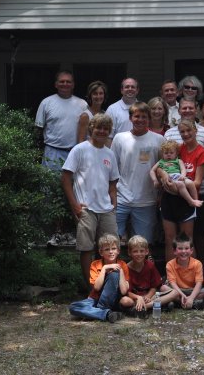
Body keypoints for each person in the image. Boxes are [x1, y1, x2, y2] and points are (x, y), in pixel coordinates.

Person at [61, 113, 119, 285]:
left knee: (111, 249)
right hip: (86, 208)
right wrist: (75, 206)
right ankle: (91, 288)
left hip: (106, 208)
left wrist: (114, 202)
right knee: (86, 248)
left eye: (106, 129)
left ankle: (109, 286)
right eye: (99, 127)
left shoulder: (110, 153)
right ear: (91, 128)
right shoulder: (79, 149)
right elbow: (65, 179)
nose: (102, 131)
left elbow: (113, 182)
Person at [111, 102, 165, 245]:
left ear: (149, 118)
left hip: (147, 200)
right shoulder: (119, 138)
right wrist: (111, 194)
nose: (140, 120)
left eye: (144, 117)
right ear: (130, 118)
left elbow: (163, 168)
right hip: (120, 198)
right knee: (111, 243)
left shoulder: (159, 140)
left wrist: (160, 194)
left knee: (142, 245)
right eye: (137, 116)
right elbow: (112, 169)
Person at [159, 119, 204, 262]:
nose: (186, 134)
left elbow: (197, 182)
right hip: (169, 199)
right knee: (170, 239)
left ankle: (192, 273)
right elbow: (160, 166)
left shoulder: (201, 152)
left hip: (186, 199)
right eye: (182, 132)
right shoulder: (178, 149)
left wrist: (176, 189)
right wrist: (163, 175)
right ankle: (171, 273)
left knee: (186, 240)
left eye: (189, 131)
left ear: (195, 131)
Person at [69, 234, 131, 323]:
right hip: (95, 298)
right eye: (107, 249)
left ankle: (100, 311)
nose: (111, 252)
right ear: (101, 252)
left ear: (118, 251)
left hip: (114, 300)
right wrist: (104, 268)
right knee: (74, 307)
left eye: (113, 248)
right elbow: (97, 288)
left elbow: (124, 291)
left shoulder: (123, 265)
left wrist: (120, 270)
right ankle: (107, 314)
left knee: (114, 275)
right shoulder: (95, 264)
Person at [35, 70, 88, 170]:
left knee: (73, 180)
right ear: (56, 84)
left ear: (73, 85)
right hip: (52, 152)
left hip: (74, 153)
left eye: (68, 82)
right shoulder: (46, 103)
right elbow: (38, 129)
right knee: (51, 180)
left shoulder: (82, 104)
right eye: (62, 81)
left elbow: (87, 130)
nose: (65, 84)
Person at [125, 235, 177, 317]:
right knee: (126, 301)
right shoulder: (126, 268)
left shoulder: (150, 265)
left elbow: (154, 286)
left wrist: (148, 297)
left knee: (175, 293)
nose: (139, 254)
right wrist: (138, 298)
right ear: (129, 253)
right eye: (135, 251)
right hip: (135, 298)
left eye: (141, 251)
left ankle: (146, 307)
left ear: (147, 251)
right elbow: (126, 292)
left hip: (150, 297)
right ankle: (160, 304)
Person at [150, 140, 203, 208]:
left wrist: (183, 175)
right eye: (166, 153)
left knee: (190, 183)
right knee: (181, 185)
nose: (169, 155)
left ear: (176, 153)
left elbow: (183, 169)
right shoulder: (161, 162)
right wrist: (155, 180)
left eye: (171, 153)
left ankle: (195, 200)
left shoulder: (178, 160)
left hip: (179, 176)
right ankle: (190, 201)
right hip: (170, 179)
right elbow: (152, 170)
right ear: (162, 154)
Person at [165, 234, 204, 309]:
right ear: (174, 251)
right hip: (177, 290)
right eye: (180, 248)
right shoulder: (170, 264)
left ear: (191, 250)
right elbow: (172, 283)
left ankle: (179, 302)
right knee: (163, 288)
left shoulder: (197, 263)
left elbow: (199, 283)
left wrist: (191, 297)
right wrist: (182, 295)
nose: (183, 251)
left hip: (192, 290)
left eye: (186, 248)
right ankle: (192, 303)